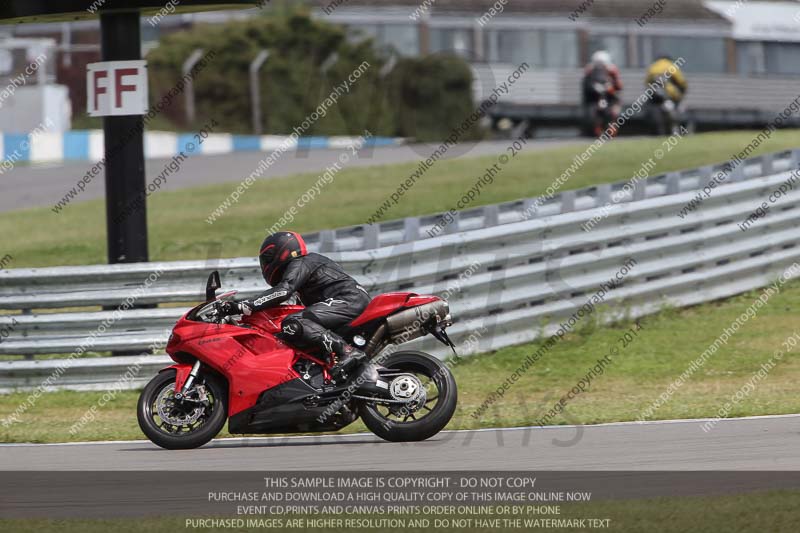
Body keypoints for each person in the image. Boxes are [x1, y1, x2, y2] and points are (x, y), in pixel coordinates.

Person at [217, 231, 371, 379]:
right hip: (348, 301)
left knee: (295, 322)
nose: (265, 263)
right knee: (292, 333)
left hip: (349, 300)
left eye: (268, 257)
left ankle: (347, 351)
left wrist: (241, 306)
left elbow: (283, 291)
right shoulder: (305, 273)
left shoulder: (302, 262)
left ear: (282, 251)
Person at [582, 50, 623, 136]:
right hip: (594, 97)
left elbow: (619, 86)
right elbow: (585, 85)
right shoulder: (589, 70)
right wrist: (594, 88)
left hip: (610, 97)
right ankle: (595, 129)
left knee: (614, 111)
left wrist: (611, 89)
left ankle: (612, 128)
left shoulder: (613, 70)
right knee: (590, 110)